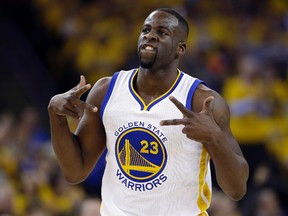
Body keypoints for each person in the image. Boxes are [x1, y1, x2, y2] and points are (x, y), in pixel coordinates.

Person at [47, 8, 249, 216]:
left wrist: (214, 137)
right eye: (146, 30)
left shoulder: (202, 101)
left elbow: (237, 189)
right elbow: (75, 172)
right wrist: (56, 116)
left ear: (180, 48)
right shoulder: (105, 91)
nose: (150, 35)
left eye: (162, 32)